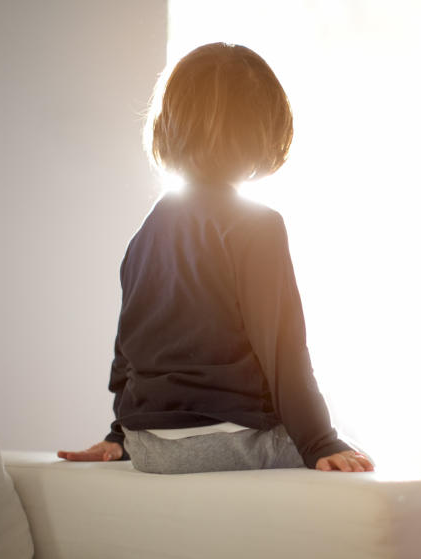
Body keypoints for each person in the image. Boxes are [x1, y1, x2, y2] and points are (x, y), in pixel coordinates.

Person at [57, 42, 372, 473]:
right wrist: (320, 442)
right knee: (353, 447)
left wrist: (119, 436)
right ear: (268, 132)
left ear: (169, 127)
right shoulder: (257, 225)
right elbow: (283, 352)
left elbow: (127, 352)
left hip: (150, 447)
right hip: (229, 442)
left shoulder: (145, 234)